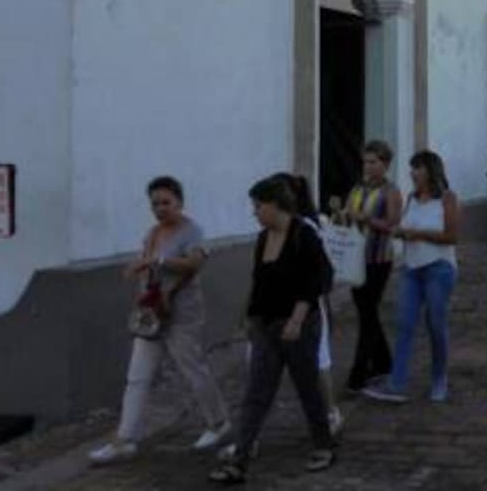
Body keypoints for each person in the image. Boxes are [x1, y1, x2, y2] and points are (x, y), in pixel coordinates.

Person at [89, 176, 231, 465]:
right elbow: (145, 265)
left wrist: (158, 262)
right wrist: (138, 273)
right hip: (151, 313)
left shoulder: (191, 231)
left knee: (192, 370)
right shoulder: (153, 233)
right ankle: (125, 439)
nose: (160, 209)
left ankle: (218, 422)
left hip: (182, 312)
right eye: (155, 204)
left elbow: (194, 263)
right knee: (137, 376)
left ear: (179, 202)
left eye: (166, 202)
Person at [208, 175, 334, 485]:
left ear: (276, 205)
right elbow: (260, 281)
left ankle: (324, 445)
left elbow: (315, 281)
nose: (254, 212)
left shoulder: (304, 234)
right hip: (266, 325)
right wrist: (249, 317)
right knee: (256, 393)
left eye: (258, 206)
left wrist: (296, 320)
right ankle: (239, 461)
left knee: (308, 388)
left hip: (299, 326)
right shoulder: (264, 237)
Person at [364, 150, 459, 404]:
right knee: (404, 325)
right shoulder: (411, 198)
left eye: (418, 168)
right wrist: (399, 232)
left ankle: (439, 378)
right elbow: (405, 226)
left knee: (436, 325)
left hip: (438, 269)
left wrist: (417, 234)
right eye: (412, 168)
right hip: (411, 269)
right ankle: (397, 383)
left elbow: (452, 236)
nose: (413, 173)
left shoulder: (447, 199)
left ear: (431, 171)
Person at [340, 140, 404, 394]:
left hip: (378, 258)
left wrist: (367, 219)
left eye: (373, 162)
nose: (368, 167)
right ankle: (383, 362)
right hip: (356, 258)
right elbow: (347, 213)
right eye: (365, 162)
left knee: (368, 314)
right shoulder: (357, 188)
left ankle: (358, 374)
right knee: (367, 313)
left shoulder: (391, 191)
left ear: (385, 164)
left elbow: (392, 225)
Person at [286, 173, 344, 436]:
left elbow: (320, 270)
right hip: (282, 304)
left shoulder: (308, 226)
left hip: (307, 301)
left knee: (319, 359)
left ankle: (330, 412)